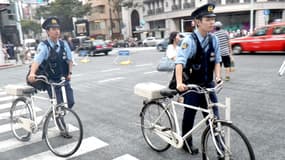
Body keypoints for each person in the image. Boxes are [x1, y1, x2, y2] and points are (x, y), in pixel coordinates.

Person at [174, 3, 222, 155]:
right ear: (198, 22)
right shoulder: (189, 41)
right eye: (208, 19)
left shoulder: (214, 40)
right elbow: (179, 63)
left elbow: (217, 61)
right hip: (192, 86)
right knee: (190, 115)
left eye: (213, 19)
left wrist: (218, 77)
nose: (212, 22)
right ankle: (186, 143)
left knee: (214, 117)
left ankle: (220, 147)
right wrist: (180, 83)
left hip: (208, 84)